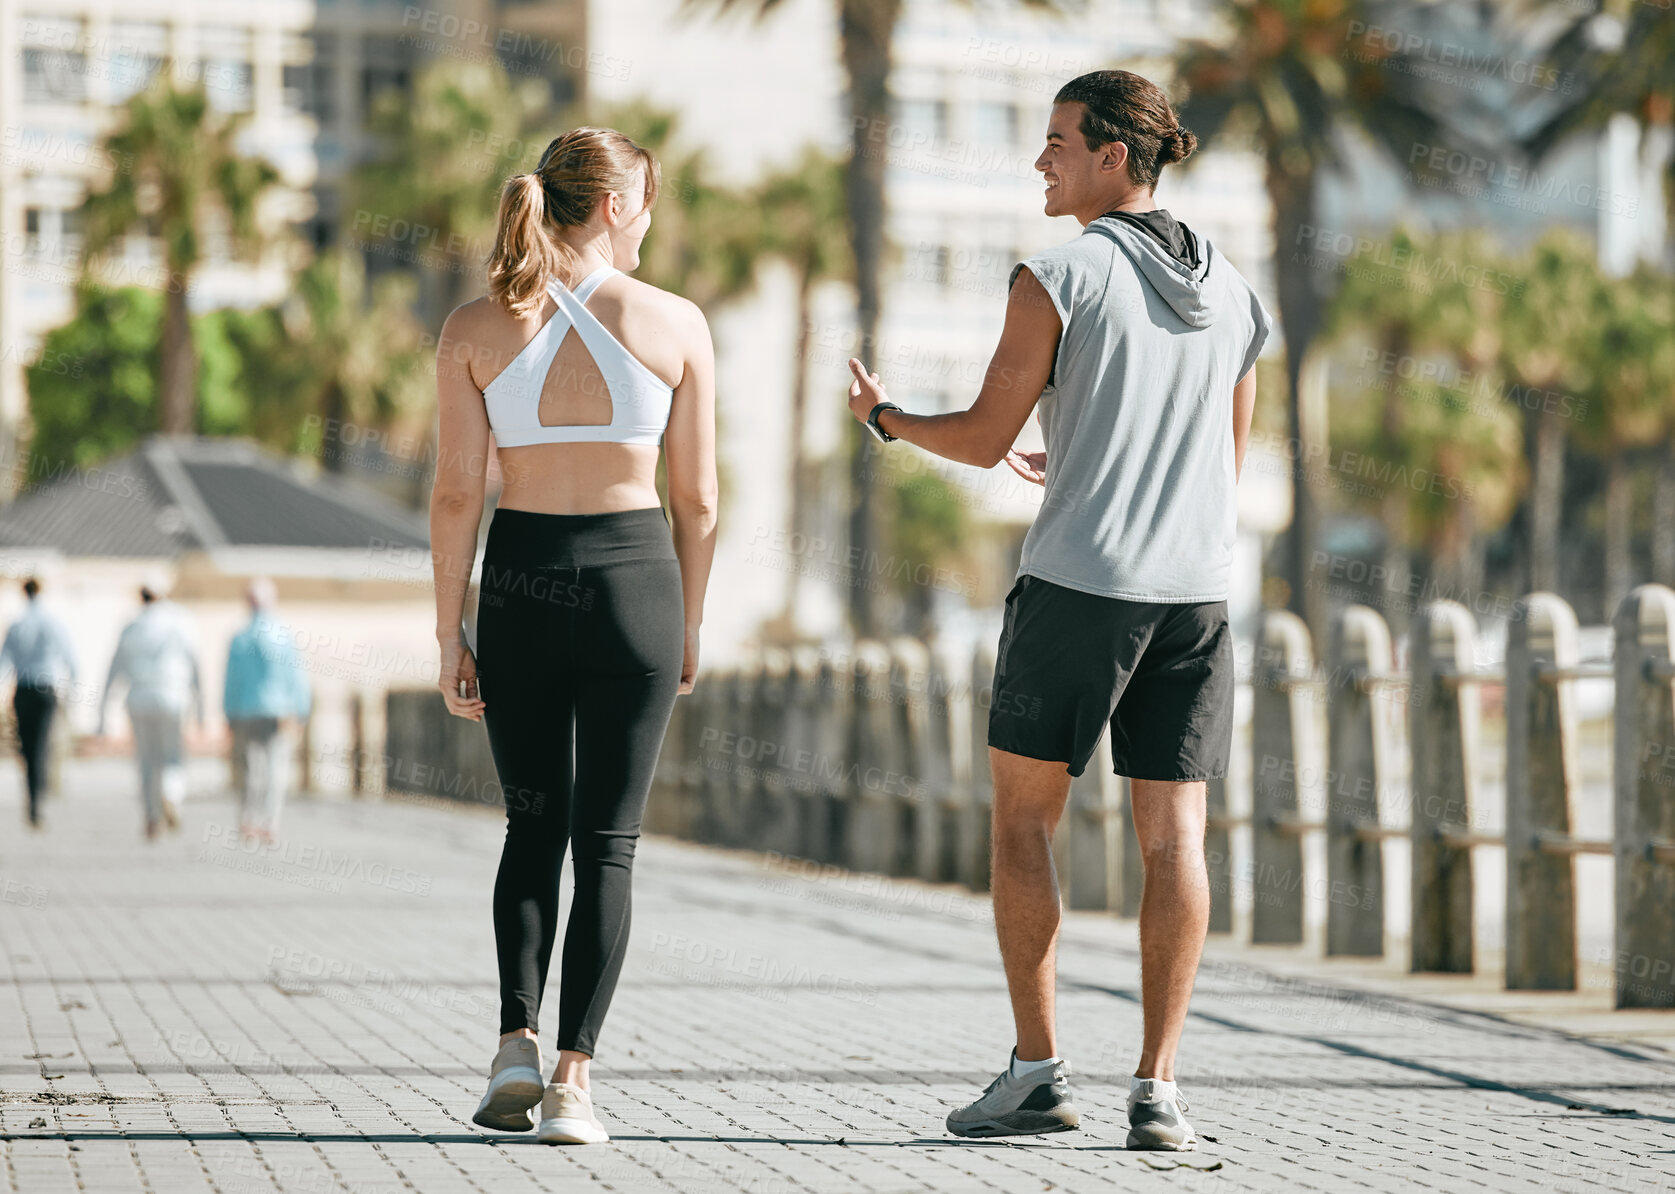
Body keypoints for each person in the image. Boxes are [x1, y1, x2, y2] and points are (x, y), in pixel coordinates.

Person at [845, 70, 1269, 1151]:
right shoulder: (1237, 289)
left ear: (1114, 158)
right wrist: (1088, 457)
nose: (1039, 159)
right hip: (1196, 596)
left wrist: (886, 417)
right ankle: (1160, 1091)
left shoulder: (1056, 274)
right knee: (1174, 841)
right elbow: (1220, 459)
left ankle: (1035, 1075)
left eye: (1056, 142)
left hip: (1080, 587)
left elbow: (984, 439)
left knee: (1023, 821)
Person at [431, 127, 717, 1145]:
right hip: (637, 583)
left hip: (518, 581)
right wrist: (688, 619)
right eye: (645, 201)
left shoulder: (474, 326)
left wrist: (448, 631)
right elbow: (700, 500)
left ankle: (512, 1040)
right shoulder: (675, 322)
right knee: (610, 844)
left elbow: (458, 493)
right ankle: (573, 1083)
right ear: (611, 208)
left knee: (530, 828)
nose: (649, 219)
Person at [99, 581, 204, 840]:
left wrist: (101, 712)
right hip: (173, 696)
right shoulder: (179, 621)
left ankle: (151, 817)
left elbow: (115, 668)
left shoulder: (132, 626)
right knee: (172, 755)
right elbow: (194, 664)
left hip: (139, 698)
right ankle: (171, 794)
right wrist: (201, 705)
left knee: (146, 759)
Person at [223, 578, 310, 842]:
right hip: (279, 710)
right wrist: (302, 709)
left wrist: (228, 711)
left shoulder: (240, 637)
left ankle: (249, 820)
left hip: (247, 710)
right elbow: (296, 677)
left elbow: (231, 680)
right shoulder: (283, 635)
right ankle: (270, 823)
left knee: (251, 767)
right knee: (276, 767)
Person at [0, 577, 78, 829]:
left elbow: (4, 663)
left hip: (22, 690)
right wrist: (74, 690)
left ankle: (33, 797)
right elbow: (70, 657)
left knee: (27, 745)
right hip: (46, 690)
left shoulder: (17, 624)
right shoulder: (52, 622)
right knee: (42, 742)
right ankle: (39, 795)